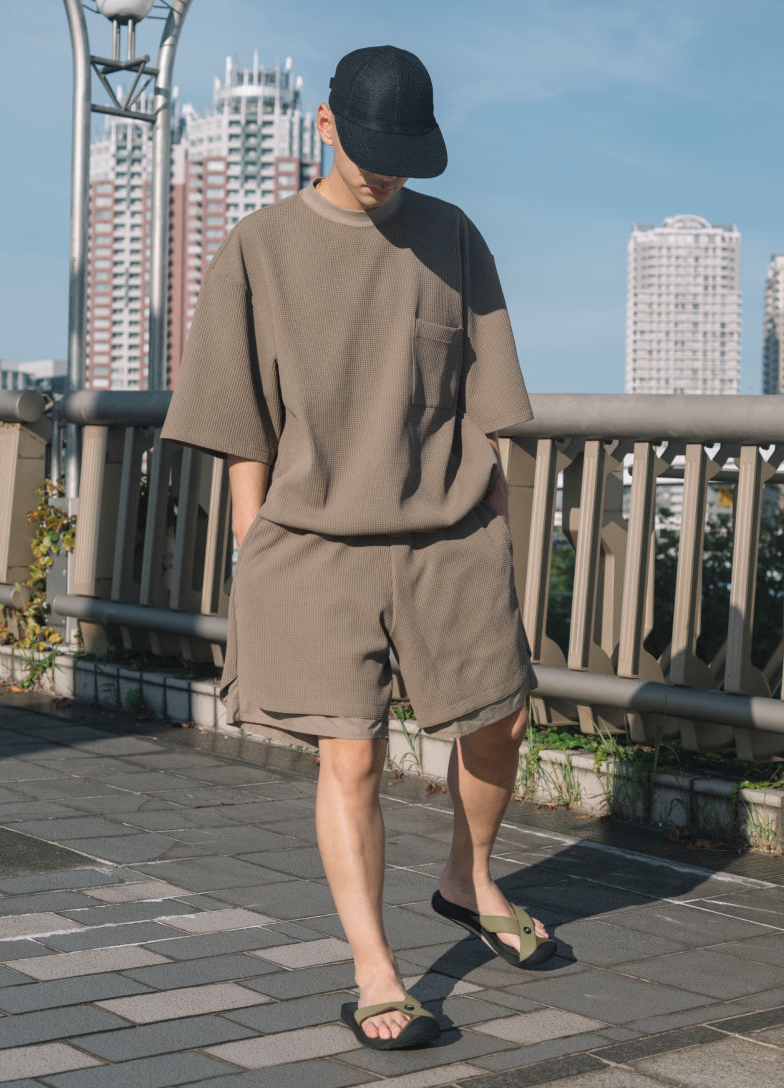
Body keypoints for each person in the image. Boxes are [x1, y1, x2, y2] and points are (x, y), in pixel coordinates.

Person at [162, 44, 557, 1051]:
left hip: (450, 534)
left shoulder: (451, 236)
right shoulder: (259, 246)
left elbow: (489, 398)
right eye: (369, 150)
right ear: (326, 124)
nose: (385, 174)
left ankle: (468, 877)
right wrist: (252, 542)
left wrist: (495, 529)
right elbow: (239, 421)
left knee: (501, 720)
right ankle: (376, 970)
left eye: (403, 158)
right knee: (353, 754)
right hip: (314, 541)